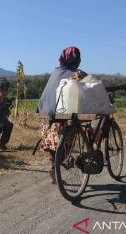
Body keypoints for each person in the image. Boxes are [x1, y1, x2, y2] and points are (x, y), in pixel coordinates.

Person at [37, 46, 83, 184]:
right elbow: (90, 87)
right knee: (68, 136)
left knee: (52, 141)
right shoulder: (76, 73)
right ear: (78, 60)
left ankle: (53, 166)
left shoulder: (56, 71)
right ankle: (57, 165)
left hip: (45, 113)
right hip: (61, 114)